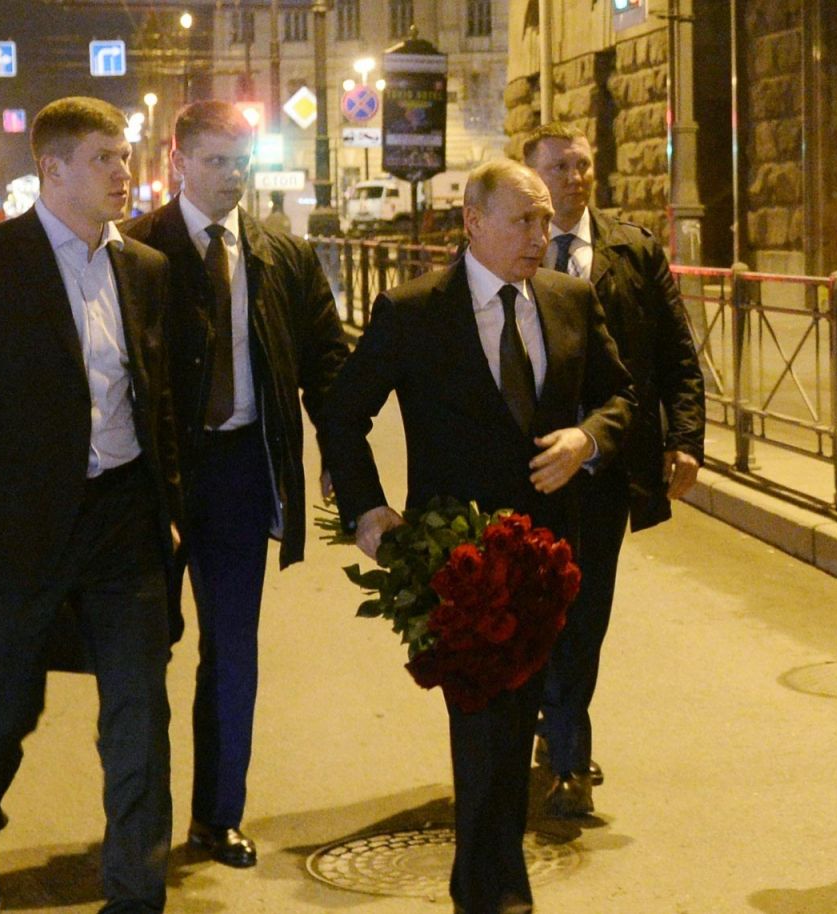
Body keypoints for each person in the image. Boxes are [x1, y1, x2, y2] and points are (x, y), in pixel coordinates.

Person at [0, 96, 183, 914]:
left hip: (122, 523)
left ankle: (134, 894)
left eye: (124, 155)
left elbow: (153, 397)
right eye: (103, 157)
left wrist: (168, 503)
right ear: (50, 169)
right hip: (15, 534)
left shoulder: (144, 271)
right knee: (0, 711)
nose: (123, 172)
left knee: (140, 716)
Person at [321, 159, 634, 913]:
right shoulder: (414, 311)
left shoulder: (569, 300)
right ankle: (497, 888)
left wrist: (586, 441)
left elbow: (622, 396)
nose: (541, 234)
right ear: (473, 222)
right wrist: (367, 509)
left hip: (546, 555)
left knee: (516, 711)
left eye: (545, 220)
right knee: (480, 718)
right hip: (453, 558)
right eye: (523, 220)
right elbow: (341, 413)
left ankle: (486, 880)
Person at [121, 99, 351, 868]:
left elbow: (327, 367)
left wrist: (344, 466)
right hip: (152, 481)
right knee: (141, 651)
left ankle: (218, 816)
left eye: (241, 161)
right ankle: (140, 822)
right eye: (215, 161)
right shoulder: (132, 250)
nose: (231, 176)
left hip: (241, 473)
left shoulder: (280, 254)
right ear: (178, 161)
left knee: (233, 648)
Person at [519, 122, 707, 818]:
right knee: (538, 607)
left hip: (606, 461)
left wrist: (685, 439)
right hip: (530, 463)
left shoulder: (632, 249)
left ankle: (568, 749)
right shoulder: (507, 248)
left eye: (583, 164)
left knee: (585, 609)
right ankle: (552, 721)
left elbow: (675, 353)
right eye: (559, 166)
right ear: (532, 174)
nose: (575, 176)